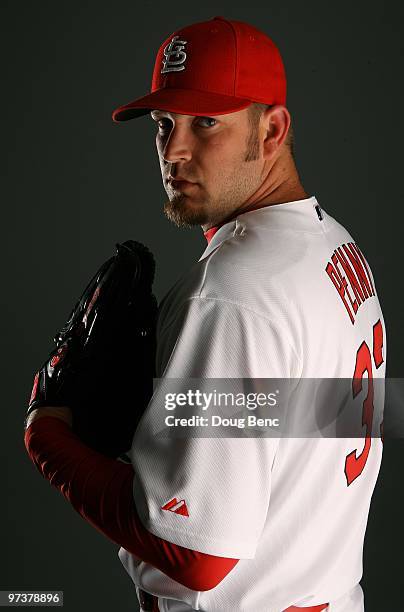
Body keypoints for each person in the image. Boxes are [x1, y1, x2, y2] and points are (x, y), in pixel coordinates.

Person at [25, 16, 386, 612]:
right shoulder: (335, 247)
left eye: (206, 122)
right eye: (164, 125)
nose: (176, 149)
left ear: (272, 129)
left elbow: (198, 556)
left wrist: (49, 441)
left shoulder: (234, 291)